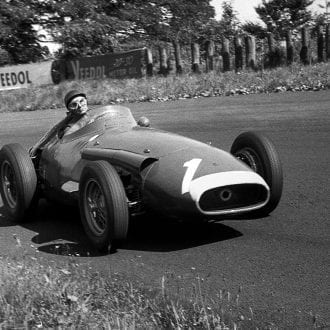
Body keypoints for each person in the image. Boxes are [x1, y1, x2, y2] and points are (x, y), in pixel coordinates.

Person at [29, 89, 91, 157]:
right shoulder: (69, 124)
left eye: (81, 101)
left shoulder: (97, 113)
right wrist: (38, 146)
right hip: (71, 150)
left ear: (86, 100)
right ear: (70, 109)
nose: (79, 106)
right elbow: (54, 130)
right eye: (74, 104)